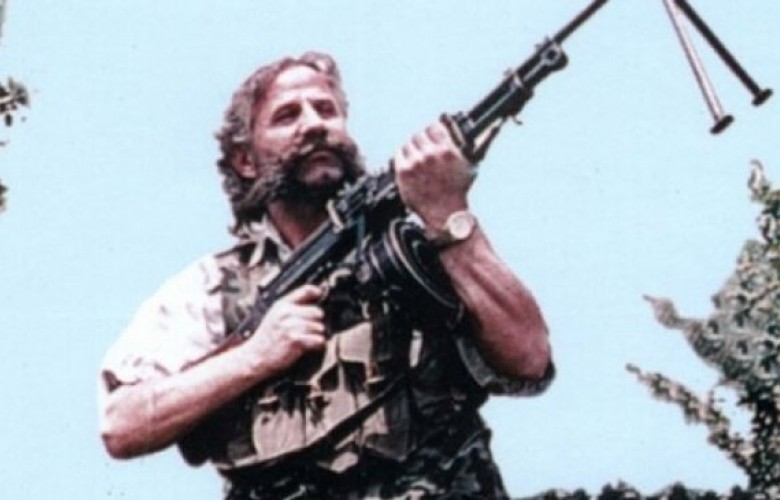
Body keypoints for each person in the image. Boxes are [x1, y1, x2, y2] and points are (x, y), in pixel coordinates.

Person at [98, 51, 554, 500]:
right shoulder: (210, 289)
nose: (315, 124)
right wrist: (256, 355)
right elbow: (122, 425)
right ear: (245, 161)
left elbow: (530, 360)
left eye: (326, 109)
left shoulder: (414, 252)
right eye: (287, 115)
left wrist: (447, 215)